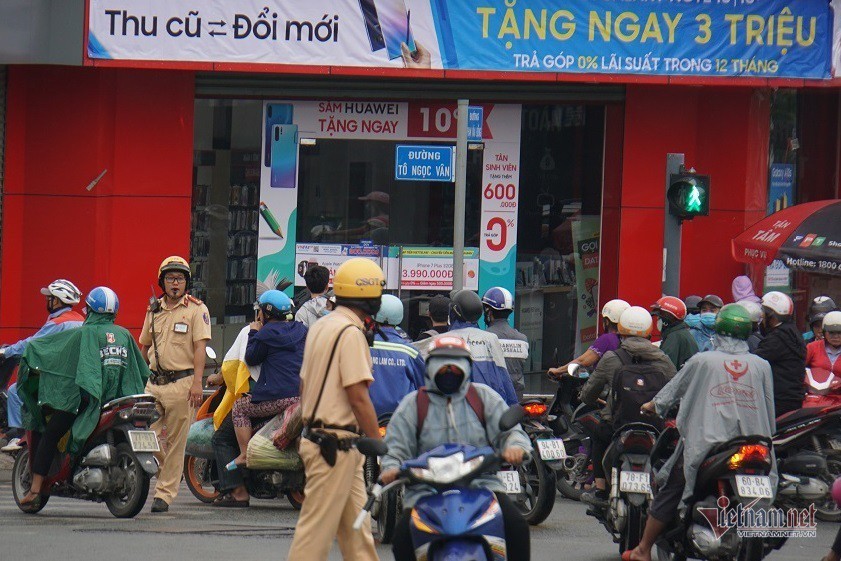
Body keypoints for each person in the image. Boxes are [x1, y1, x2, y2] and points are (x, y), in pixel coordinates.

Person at [624, 304, 776, 561]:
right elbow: (769, 405)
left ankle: (642, 550)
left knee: (672, 484)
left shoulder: (702, 361)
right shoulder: (762, 365)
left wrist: (652, 406)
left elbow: (673, 391)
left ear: (718, 328)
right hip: (754, 442)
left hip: (707, 444)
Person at [379, 336, 532, 561]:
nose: (448, 369)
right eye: (441, 363)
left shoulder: (484, 397)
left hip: (481, 486)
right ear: (429, 367)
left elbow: (512, 433)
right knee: (402, 539)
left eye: (455, 363)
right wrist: (391, 467)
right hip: (425, 492)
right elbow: (395, 447)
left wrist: (516, 447)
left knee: (517, 526)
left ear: (467, 367)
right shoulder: (413, 404)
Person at [286, 258, 384, 561]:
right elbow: (357, 395)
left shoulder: (322, 325)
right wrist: (378, 443)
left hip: (330, 441)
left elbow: (304, 386)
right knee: (314, 536)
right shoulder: (350, 333)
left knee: (358, 535)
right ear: (369, 295)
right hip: (335, 445)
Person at [16, 287, 150, 507]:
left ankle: (35, 489)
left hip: (87, 400)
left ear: (90, 309)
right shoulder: (124, 334)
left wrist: (31, 351)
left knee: (49, 434)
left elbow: (53, 353)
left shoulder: (83, 333)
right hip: (118, 400)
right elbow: (140, 370)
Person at [579, 306, 676, 508]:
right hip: (654, 426)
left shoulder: (611, 358)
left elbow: (588, 395)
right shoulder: (663, 360)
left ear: (621, 330)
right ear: (649, 332)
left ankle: (600, 489)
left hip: (618, 426)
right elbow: (676, 392)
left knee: (598, 434)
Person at [139, 255, 211, 513]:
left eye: (179, 278)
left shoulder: (196, 309)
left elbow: (200, 348)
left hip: (182, 384)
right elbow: (144, 345)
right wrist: (139, 375)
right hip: (153, 384)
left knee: (178, 442)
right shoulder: (153, 309)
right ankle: (167, 469)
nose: (175, 283)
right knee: (145, 436)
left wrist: (197, 383)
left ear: (186, 282)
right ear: (162, 282)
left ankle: (164, 495)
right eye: (170, 278)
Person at [225, 290, 307, 476]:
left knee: (239, 407)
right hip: (302, 394)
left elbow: (251, 358)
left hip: (279, 397)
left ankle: (245, 454)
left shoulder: (266, 333)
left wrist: (254, 332)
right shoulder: (301, 329)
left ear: (266, 313)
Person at [1, 279, 85, 453]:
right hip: (76, 380)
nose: (47, 300)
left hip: (57, 381)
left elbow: (32, 344)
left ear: (58, 300)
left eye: (50, 297)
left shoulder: (57, 324)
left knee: (15, 392)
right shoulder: (80, 320)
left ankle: (18, 435)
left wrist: (7, 352)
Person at [424, 290, 518, 405]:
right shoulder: (490, 339)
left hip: (450, 411)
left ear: (453, 312)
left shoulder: (440, 340)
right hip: (486, 411)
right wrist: (512, 407)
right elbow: (504, 379)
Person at [368, 294, 425, 417]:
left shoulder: (362, 346)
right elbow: (424, 386)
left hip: (366, 418)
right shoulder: (410, 352)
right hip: (401, 420)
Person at [547, 299, 630, 379]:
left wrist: (558, 370)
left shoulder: (607, 339)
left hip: (605, 387)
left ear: (607, 321)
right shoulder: (630, 340)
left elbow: (582, 361)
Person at [756, 291, 807, 417]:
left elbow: (755, 361)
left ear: (771, 315)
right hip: (791, 398)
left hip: (778, 399)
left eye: (764, 312)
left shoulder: (777, 338)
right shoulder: (792, 332)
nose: (761, 317)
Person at [482, 286, 529, 401]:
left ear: (489, 311)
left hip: (492, 399)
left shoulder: (484, 338)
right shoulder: (523, 339)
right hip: (517, 398)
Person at [651, 297, 698, 370]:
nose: (657, 319)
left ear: (668, 317)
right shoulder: (680, 333)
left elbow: (664, 369)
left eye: (659, 316)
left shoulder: (674, 338)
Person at [807, 311, 841, 376]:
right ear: (824, 332)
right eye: (831, 332)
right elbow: (798, 368)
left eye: (839, 332)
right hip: (815, 385)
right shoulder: (812, 347)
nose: (836, 336)